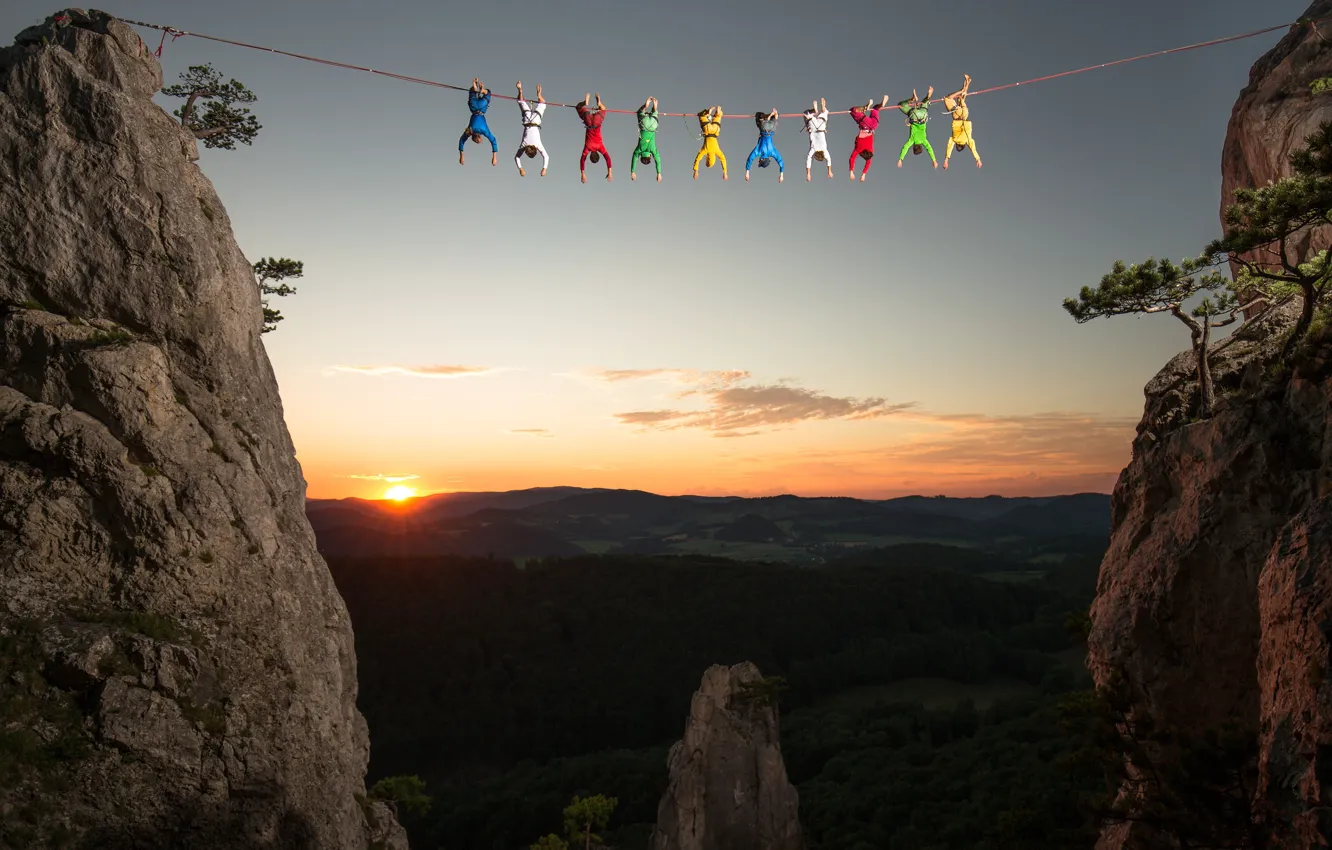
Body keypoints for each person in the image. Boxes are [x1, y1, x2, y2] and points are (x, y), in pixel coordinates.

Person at [942, 74, 981, 169]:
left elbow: (973, 149)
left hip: (965, 114)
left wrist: (978, 159)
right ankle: (962, 89)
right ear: (958, 145)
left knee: (962, 99)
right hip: (957, 115)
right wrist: (946, 159)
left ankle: (967, 82)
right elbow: (949, 147)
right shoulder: (954, 140)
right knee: (947, 98)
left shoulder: (968, 141)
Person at [458, 78, 498, 167]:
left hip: (482, 107)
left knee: (488, 93)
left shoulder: (484, 131)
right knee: (472, 92)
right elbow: (461, 141)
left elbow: (493, 141)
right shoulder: (470, 131)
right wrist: (461, 156)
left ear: (479, 137)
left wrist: (494, 157)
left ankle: (483, 91)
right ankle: (474, 89)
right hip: (473, 106)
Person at [848, 96, 889, 182]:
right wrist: (851, 171)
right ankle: (864, 108)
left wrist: (864, 174)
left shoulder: (871, 150)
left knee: (875, 109)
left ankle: (880, 105)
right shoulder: (858, 149)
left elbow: (868, 162)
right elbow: (852, 158)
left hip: (874, 125)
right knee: (853, 110)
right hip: (865, 124)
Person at [897, 87, 937, 168]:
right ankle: (912, 99)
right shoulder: (912, 141)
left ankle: (927, 96)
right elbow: (905, 148)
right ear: (914, 147)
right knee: (900, 105)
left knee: (925, 103)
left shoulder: (924, 140)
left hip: (923, 115)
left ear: (921, 146)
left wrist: (934, 160)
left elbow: (930, 149)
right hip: (914, 116)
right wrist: (900, 159)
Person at [514, 81, 548, 177]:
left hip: (535, 120)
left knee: (543, 103)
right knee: (521, 101)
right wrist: (521, 169)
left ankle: (539, 95)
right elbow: (516, 157)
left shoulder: (538, 145)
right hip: (527, 119)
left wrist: (544, 169)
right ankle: (520, 90)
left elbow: (546, 157)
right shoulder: (523, 146)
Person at [577, 93, 613, 183]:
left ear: (598, 154)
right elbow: (582, 160)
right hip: (588, 121)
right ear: (590, 155)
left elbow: (608, 158)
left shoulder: (600, 147)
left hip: (597, 120)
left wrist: (610, 172)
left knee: (603, 109)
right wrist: (583, 173)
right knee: (578, 106)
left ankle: (599, 103)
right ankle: (585, 103)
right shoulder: (587, 148)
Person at [745, 109, 785, 182]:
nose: (758, 161)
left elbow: (781, 161)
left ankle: (774, 116)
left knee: (773, 122)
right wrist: (747, 172)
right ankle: (767, 117)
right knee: (758, 116)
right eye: (760, 162)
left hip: (773, 128)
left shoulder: (772, 152)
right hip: (764, 128)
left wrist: (781, 175)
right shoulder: (759, 151)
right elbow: (750, 159)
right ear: (762, 160)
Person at [631, 97, 662, 182]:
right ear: (641, 156)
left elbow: (658, 161)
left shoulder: (652, 149)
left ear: (650, 156)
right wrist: (632, 172)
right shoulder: (639, 149)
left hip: (652, 125)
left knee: (654, 115)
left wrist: (659, 173)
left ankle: (654, 109)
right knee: (640, 113)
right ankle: (645, 106)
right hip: (644, 124)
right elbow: (634, 158)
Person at [692, 106, 728, 180]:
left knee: (718, 117)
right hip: (708, 131)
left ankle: (718, 113)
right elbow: (697, 159)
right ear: (708, 158)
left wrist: (725, 172)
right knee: (701, 115)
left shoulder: (717, 151)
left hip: (715, 131)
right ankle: (708, 112)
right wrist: (696, 171)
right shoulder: (704, 151)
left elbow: (723, 159)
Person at [803, 98, 834, 181]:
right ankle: (814, 111)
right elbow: (808, 161)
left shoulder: (825, 150)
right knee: (806, 113)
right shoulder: (813, 150)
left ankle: (822, 110)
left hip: (821, 126)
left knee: (824, 113)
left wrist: (830, 171)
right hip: (813, 127)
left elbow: (829, 160)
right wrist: (808, 174)